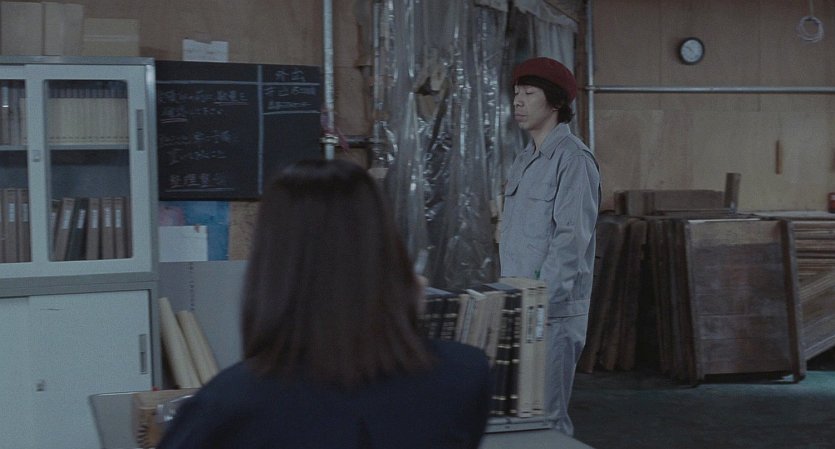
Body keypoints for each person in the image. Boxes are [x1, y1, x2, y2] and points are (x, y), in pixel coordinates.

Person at [158, 159, 492, 449]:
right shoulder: (464, 375)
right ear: (386, 249)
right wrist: (405, 321)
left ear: (271, 266)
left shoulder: (229, 404)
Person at [498, 57, 601, 436]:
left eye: (529, 93)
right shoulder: (526, 159)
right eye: (516, 93)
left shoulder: (573, 160)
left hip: (551, 313)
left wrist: (541, 306)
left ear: (555, 101)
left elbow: (570, 242)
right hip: (518, 304)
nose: (518, 101)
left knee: (548, 420)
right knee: (519, 417)